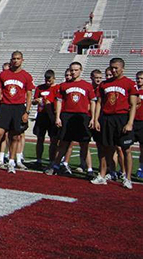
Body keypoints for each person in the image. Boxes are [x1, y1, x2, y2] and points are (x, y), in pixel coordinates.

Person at [0, 51, 34, 174]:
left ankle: (11, 162)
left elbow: (29, 95)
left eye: (18, 58)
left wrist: (27, 112)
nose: (15, 60)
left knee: (15, 136)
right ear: (11, 60)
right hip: (5, 106)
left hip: (18, 107)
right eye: (13, 58)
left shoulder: (26, 76)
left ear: (22, 60)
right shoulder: (4, 74)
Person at [92, 58, 137, 189]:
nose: (113, 70)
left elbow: (133, 105)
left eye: (116, 68)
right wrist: (96, 119)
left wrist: (129, 122)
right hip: (106, 118)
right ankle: (102, 175)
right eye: (112, 67)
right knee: (106, 148)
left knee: (126, 150)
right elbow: (99, 103)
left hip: (122, 118)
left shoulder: (129, 83)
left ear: (122, 68)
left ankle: (127, 178)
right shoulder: (104, 84)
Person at [47, 62, 96, 176]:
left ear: (81, 70)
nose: (74, 72)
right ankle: (55, 166)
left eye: (76, 70)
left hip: (82, 117)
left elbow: (93, 102)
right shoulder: (63, 85)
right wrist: (58, 117)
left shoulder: (87, 85)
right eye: (72, 70)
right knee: (63, 143)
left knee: (84, 144)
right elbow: (59, 102)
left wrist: (93, 118)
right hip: (67, 116)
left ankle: (89, 170)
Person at [33, 70, 59, 169]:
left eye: (49, 79)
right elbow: (34, 101)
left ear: (53, 78)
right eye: (46, 79)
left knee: (53, 139)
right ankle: (38, 159)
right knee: (40, 138)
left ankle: (52, 160)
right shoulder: (39, 88)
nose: (47, 81)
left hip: (52, 115)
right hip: (42, 115)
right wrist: (36, 101)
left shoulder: (57, 88)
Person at [134, 71, 143, 178]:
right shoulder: (133, 91)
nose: (139, 80)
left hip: (142, 122)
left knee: (142, 148)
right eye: (138, 78)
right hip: (132, 121)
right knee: (124, 147)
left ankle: (141, 168)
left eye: (141, 78)